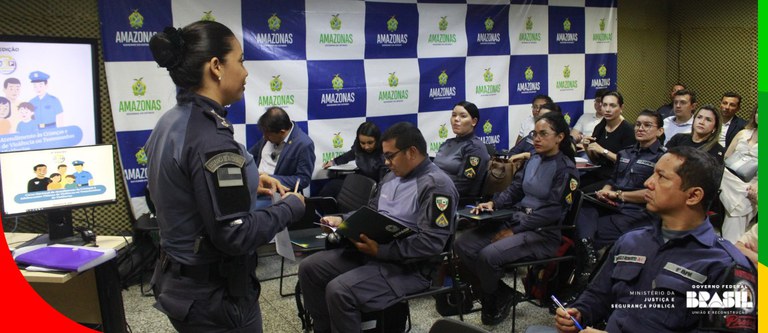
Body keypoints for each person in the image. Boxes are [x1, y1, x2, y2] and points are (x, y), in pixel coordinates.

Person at [145, 21, 305, 332]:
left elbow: (186, 186)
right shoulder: (210, 137)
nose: (246, 72)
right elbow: (234, 235)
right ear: (216, 66)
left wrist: (251, 179)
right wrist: (292, 207)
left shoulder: (172, 121)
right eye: (241, 61)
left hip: (179, 282)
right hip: (214, 298)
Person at [555, 147, 756, 333]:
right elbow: (599, 295)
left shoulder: (725, 266)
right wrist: (580, 312)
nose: (647, 183)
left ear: (693, 195)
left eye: (661, 177)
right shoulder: (631, 241)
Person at [297, 122, 459, 333]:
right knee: (310, 269)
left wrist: (380, 251)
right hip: (373, 252)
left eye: (391, 156)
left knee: (340, 291)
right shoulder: (392, 176)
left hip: (409, 267)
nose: (386, 162)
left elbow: (431, 244)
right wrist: (341, 220)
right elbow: (371, 212)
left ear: (412, 152)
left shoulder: (437, 186)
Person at [454, 111, 579, 325]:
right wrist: (494, 203)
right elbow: (514, 190)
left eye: (543, 134)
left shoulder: (566, 169)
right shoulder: (533, 160)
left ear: (560, 137)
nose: (536, 139)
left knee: (488, 255)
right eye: (534, 134)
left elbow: (553, 212)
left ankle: (492, 299)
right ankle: (501, 293)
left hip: (543, 233)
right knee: (463, 244)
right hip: (516, 220)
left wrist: (513, 231)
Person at [575, 109, 665, 265]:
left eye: (647, 125)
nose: (640, 128)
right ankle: (588, 251)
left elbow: (655, 192)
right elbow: (613, 179)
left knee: (594, 231)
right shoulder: (625, 153)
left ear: (660, 131)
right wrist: (607, 190)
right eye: (637, 124)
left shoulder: (662, 157)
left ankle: (588, 257)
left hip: (636, 210)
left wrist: (618, 194)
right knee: (580, 205)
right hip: (611, 203)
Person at [248, 106, 315, 192]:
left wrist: (269, 178)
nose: (264, 137)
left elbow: (303, 180)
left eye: (268, 135)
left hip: (276, 194)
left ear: (282, 132)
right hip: (255, 189)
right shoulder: (269, 134)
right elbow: (250, 156)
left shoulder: (304, 144)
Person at [581, 91, 636, 190]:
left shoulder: (628, 130)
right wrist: (586, 147)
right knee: (574, 185)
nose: (607, 109)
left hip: (617, 176)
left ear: (621, 108)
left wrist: (603, 151)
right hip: (600, 172)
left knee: (584, 192)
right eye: (605, 105)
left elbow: (627, 162)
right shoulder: (600, 127)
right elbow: (595, 160)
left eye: (612, 106)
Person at [434, 101, 490, 197]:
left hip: (454, 199)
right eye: (454, 115)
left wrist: (430, 188)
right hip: (434, 190)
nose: (456, 119)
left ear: (474, 121)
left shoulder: (475, 148)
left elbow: (464, 185)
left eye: (463, 116)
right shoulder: (447, 143)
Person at [719, 106, 758, 243]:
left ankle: (729, 250)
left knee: (744, 199)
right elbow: (726, 158)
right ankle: (731, 250)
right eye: (759, 112)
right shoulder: (743, 133)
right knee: (720, 171)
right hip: (729, 178)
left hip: (754, 184)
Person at [319, 121, 386, 197]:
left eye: (370, 143)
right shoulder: (358, 146)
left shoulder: (384, 154)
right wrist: (334, 162)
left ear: (377, 140)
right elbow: (350, 154)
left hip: (374, 189)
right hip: (361, 180)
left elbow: (383, 184)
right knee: (331, 187)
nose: (366, 147)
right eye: (362, 143)